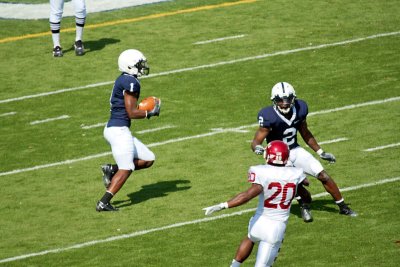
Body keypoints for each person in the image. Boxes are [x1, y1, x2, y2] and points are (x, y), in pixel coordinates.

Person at [251, 82, 357, 222]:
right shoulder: (268, 115)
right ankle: (304, 205)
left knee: (323, 175)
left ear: (293, 98)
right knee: (299, 185)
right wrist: (257, 147)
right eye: (280, 100)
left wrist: (320, 152)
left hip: (295, 149)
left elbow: (305, 132)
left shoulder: (301, 108)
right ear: (274, 100)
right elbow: (255, 142)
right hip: (279, 157)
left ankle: (343, 207)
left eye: (287, 99)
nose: (284, 103)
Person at [203, 140, 308, 267]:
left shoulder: (261, 171)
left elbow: (247, 195)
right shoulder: (296, 173)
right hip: (275, 227)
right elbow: (306, 194)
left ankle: (234, 265)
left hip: (258, 222)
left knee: (250, 237)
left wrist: (223, 205)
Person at [96, 49, 161, 212]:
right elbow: (131, 112)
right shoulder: (131, 82)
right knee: (127, 167)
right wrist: (149, 112)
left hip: (116, 128)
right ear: (130, 66)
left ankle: (112, 169)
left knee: (148, 158)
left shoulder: (126, 79)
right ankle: (103, 202)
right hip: (118, 130)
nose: (142, 67)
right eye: (139, 64)